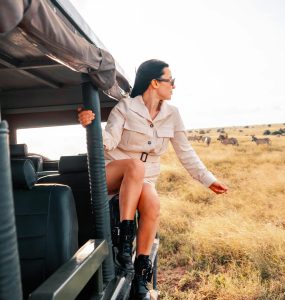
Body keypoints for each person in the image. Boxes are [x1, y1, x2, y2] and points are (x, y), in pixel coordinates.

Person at [78, 59, 228, 299]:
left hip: (143, 179)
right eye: (171, 81)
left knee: (152, 202)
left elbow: (185, 151)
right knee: (135, 166)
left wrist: (208, 180)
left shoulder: (172, 114)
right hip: (113, 173)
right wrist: (92, 126)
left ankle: (140, 279)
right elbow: (109, 141)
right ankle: (125, 242)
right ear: (155, 83)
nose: (174, 86)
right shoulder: (126, 107)